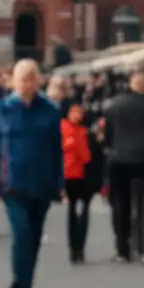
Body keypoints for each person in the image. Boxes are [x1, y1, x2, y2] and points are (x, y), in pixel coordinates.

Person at [0, 59, 63, 288]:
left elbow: (56, 149)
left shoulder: (49, 109)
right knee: (22, 232)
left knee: (35, 236)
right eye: (22, 80)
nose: (27, 84)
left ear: (39, 80)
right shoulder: (0, 109)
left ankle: (23, 281)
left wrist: (59, 182)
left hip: (42, 181)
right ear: (13, 82)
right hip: (11, 182)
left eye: (31, 79)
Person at [104, 70, 144, 264]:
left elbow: (108, 135)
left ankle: (122, 249)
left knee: (120, 205)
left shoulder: (113, 105)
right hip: (143, 158)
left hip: (118, 158)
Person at [61, 100, 103, 263]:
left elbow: (95, 158)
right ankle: (74, 248)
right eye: (74, 112)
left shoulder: (88, 134)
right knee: (72, 211)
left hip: (85, 176)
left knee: (84, 210)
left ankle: (80, 247)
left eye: (79, 112)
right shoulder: (63, 130)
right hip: (70, 175)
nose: (77, 115)